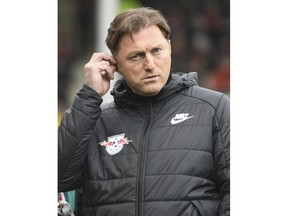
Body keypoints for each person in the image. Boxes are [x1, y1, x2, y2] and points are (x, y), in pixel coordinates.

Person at [58, 6, 230, 216]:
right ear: (116, 64)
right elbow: (59, 178)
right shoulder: (94, 119)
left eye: (156, 51)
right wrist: (89, 96)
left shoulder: (214, 107)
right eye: (136, 56)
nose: (150, 64)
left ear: (170, 47)